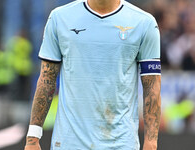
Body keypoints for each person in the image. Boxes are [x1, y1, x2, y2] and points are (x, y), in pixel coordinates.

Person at [24, 0, 161, 149]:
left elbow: (152, 87)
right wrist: (33, 137)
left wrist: (151, 142)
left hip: (121, 144)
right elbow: (47, 79)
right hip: (69, 143)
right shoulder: (59, 18)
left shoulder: (144, 23)